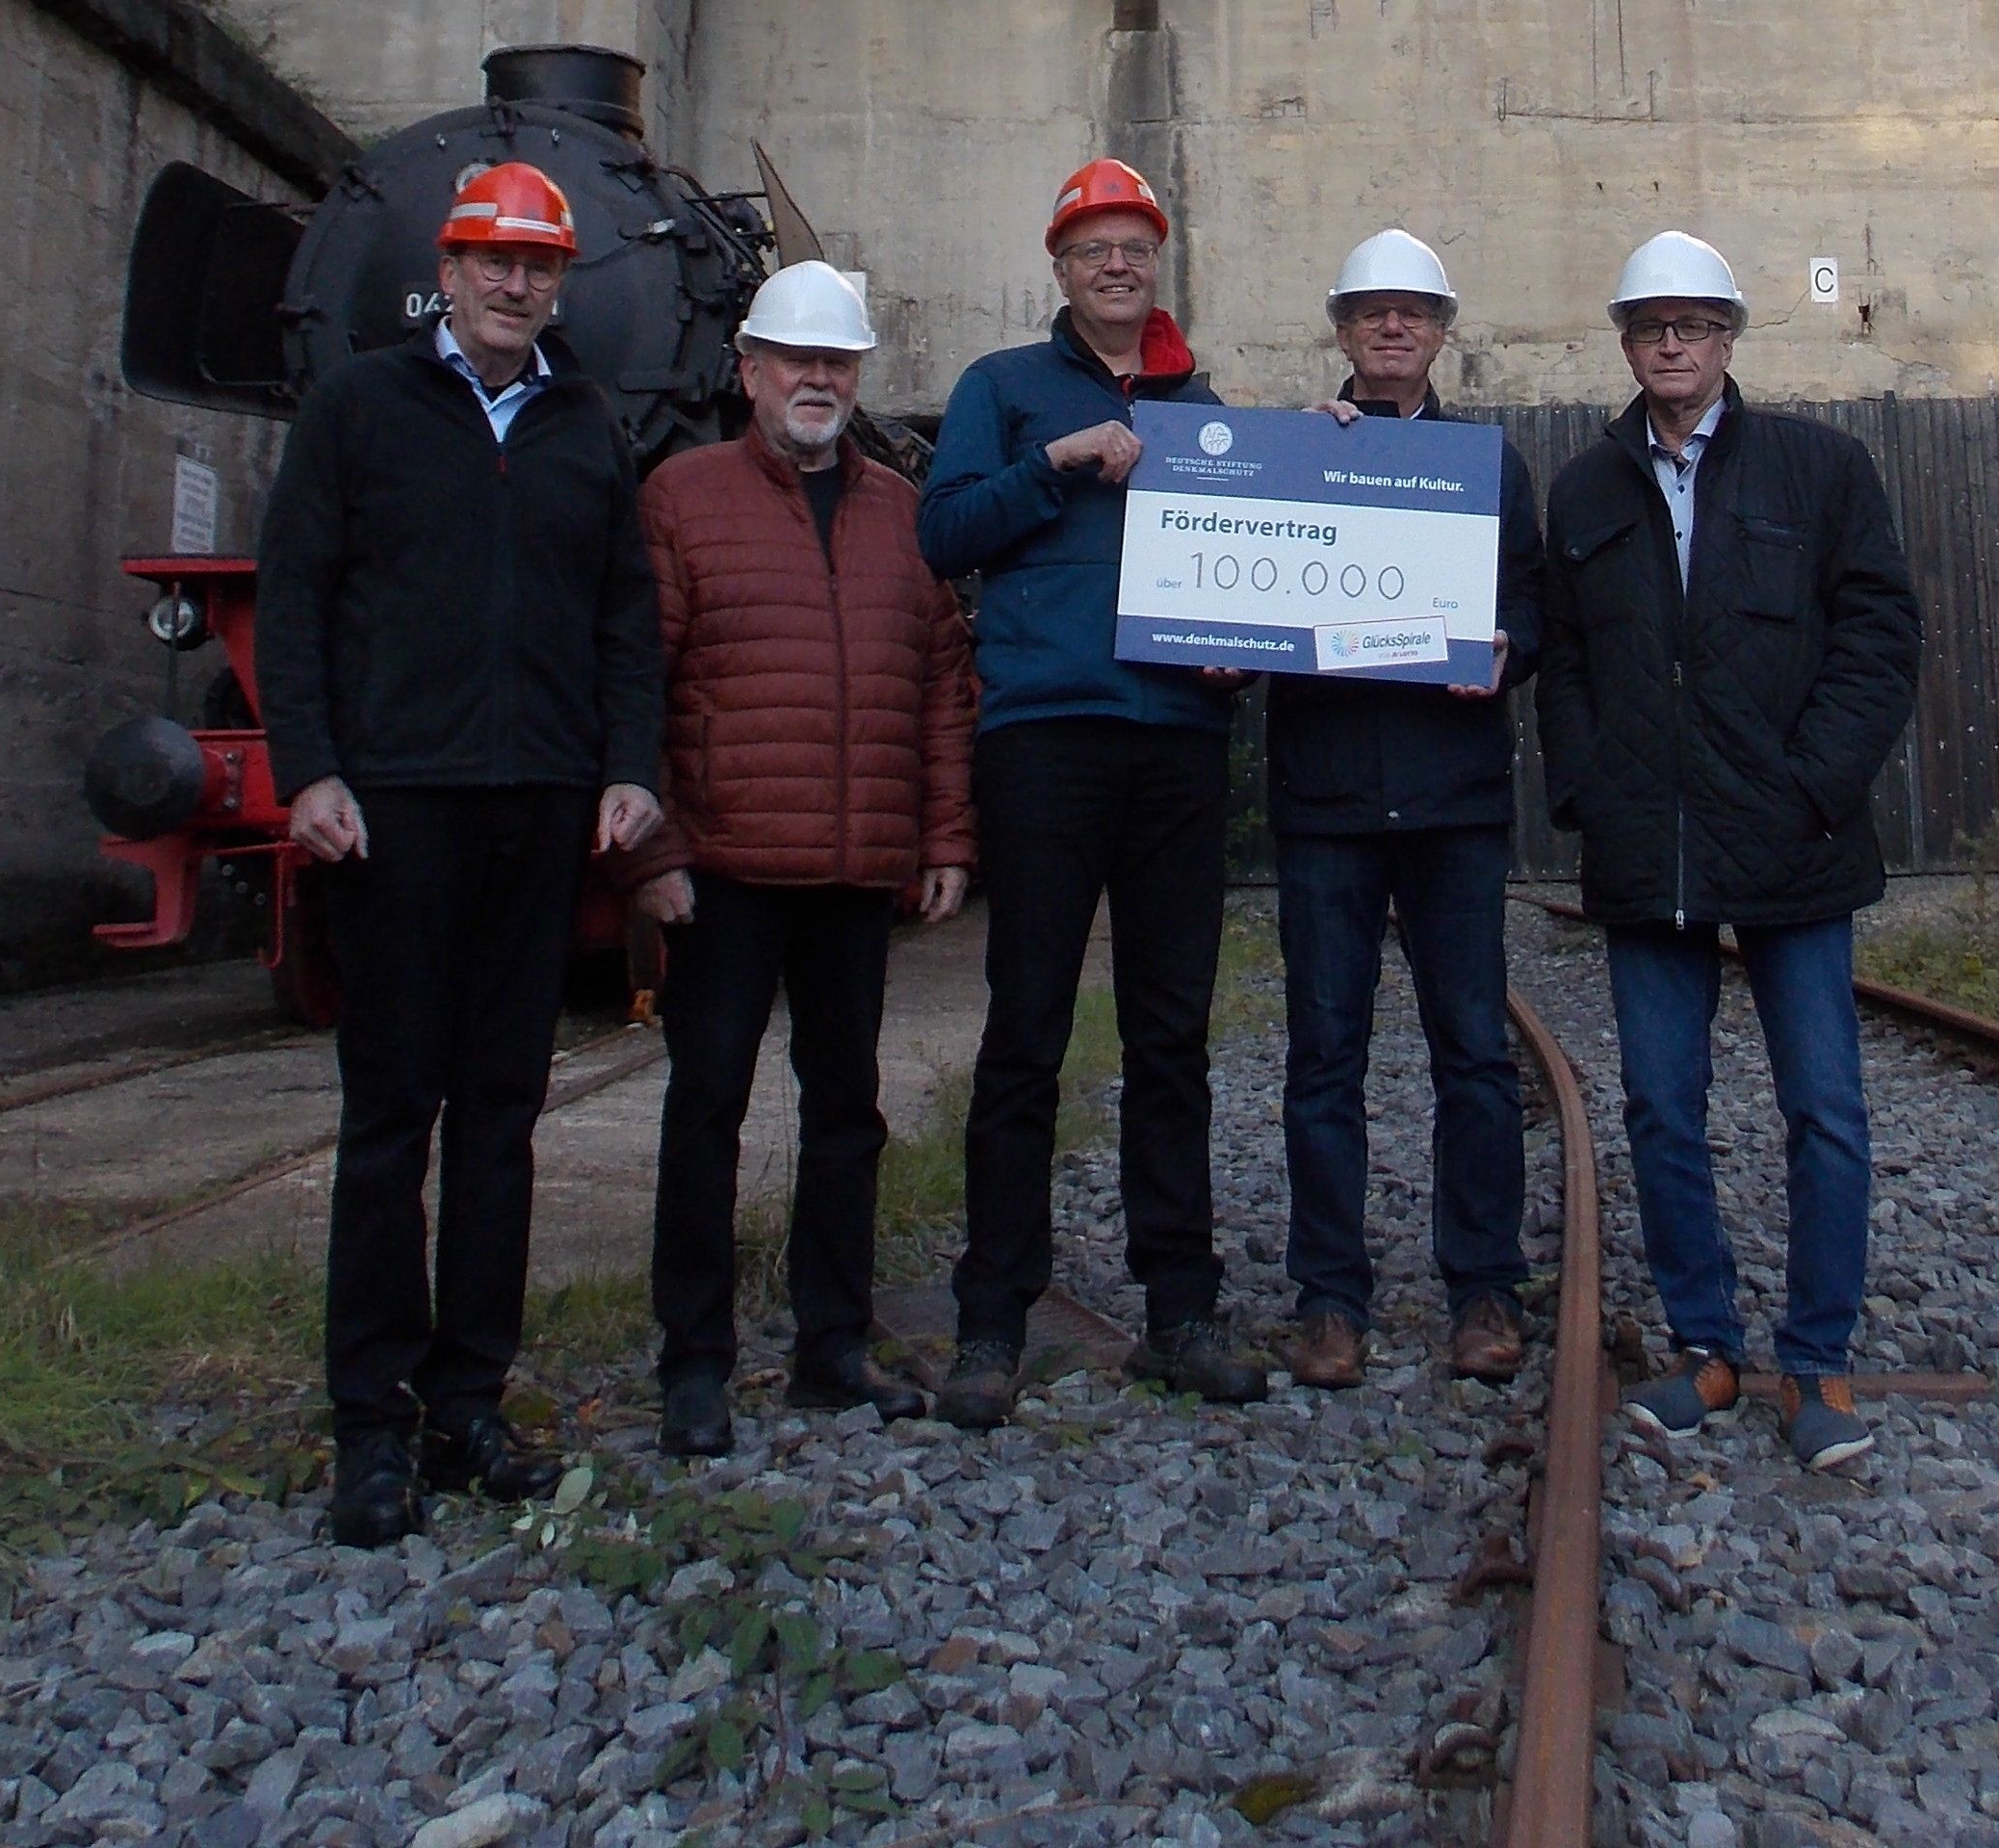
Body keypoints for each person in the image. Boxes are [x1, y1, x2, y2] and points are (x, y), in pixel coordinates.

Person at [255, 159, 665, 1547]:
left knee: (502, 1119)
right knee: (389, 1122)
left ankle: (469, 1402)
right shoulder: (358, 407)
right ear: (447, 269)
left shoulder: (585, 426)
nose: (516, 284)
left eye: (539, 267)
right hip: (397, 809)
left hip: (537, 810)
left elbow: (623, 615)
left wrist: (626, 765)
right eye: (495, 260)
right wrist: (310, 767)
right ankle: (370, 1425)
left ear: (560, 285)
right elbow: (296, 595)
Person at [1538, 231, 1921, 1472]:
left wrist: (1817, 783)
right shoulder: (1585, 491)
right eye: (1652, 327)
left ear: (1728, 339)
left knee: (1826, 1110)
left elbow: (1879, 638)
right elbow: (1568, 662)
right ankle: (1705, 1347)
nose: (1673, 345)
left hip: (1793, 841)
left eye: (1695, 326)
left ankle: (1817, 1364)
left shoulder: (1821, 469)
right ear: (1626, 342)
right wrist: (1591, 787)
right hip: (1649, 846)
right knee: (1662, 1108)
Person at [915, 157, 1270, 1425]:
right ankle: (991, 1319)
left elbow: (1249, 577)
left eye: (1134, 247)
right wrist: (1056, 464)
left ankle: (1180, 1308)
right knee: (1027, 1031)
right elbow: (944, 534)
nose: (1116, 266)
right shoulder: (1002, 389)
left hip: (1177, 745)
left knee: (1172, 1035)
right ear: (1059, 269)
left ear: (1157, 263)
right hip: (1047, 739)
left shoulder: (1205, 408)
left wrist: (1238, 654)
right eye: (1091, 248)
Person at [629, 260, 974, 1452]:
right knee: (706, 1109)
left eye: (837, 362)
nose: (817, 379)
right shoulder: (682, 498)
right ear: (750, 372)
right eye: (796, 360)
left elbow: (941, 683)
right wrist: (653, 850)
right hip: (721, 869)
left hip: (852, 870)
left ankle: (832, 1348)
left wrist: (944, 834)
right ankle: (695, 1365)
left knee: (846, 1115)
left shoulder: (902, 513)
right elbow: (639, 682)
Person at [1271, 229, 1543, 1392]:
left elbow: (1530, 601)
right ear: (1342, 330)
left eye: (1414, 312)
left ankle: (1484, 1287)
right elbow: (1239, 585)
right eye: (1372, 311)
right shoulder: (1295, 453)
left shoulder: (1489, 467)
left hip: (1452, 800)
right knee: (1323, 1058)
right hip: (1327, 798)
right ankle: (1330, 1299)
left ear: (1440, 334)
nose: (1393, 326)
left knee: (1473, 1054)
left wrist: (1509, 647)